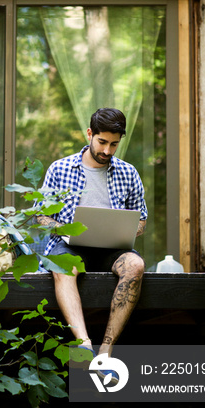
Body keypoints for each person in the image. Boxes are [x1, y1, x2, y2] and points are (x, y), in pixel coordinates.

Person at [36, 108, 147, 368]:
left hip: (112, 247)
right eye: (102, 142)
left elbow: (141, 219)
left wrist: (131, 229)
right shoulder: (60, 168)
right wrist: (66, 228)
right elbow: (41, 216)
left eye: (114, 144)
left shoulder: (128, 172)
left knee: (136, 266)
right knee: (63, 266)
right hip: (70, 244)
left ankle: (106, 348)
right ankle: (84, 343)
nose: (107, 151)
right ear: (90, 134)